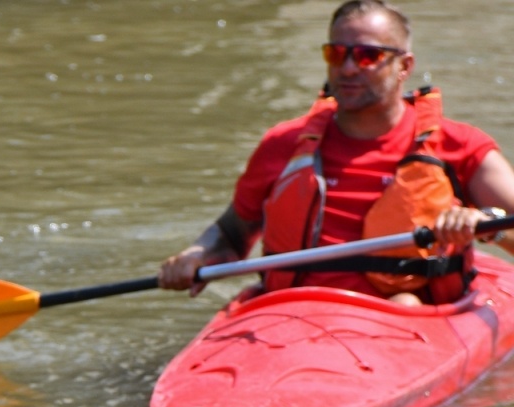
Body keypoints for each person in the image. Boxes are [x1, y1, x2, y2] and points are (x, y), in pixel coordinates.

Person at [159, 0, 514, 305]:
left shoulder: (459, 145)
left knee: (405, 302)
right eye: (336, 53)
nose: (347, 68)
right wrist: (196, 255)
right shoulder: (284, 143)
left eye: (367, 56)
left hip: (404, 318)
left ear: (404, 66)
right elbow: (231, 234)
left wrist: (488, 226)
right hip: (291, 315)